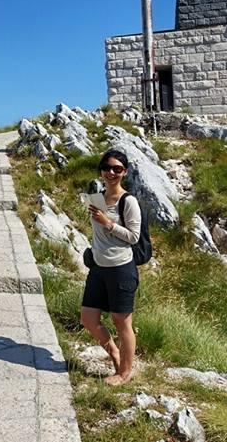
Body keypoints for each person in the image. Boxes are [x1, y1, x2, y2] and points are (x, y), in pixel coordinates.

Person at [80, 149, 142, 386]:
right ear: (101, 171)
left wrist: (108, 223)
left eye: (117, 169)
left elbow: (134, 237)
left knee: (121, 321)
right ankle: (114, 353)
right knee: (88, 318)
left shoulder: (129, 201)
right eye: (107, 168)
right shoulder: (96, 198)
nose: (111, 172)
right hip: (98, 267)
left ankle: (125, 373)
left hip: (120, 268)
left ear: (124, 172)